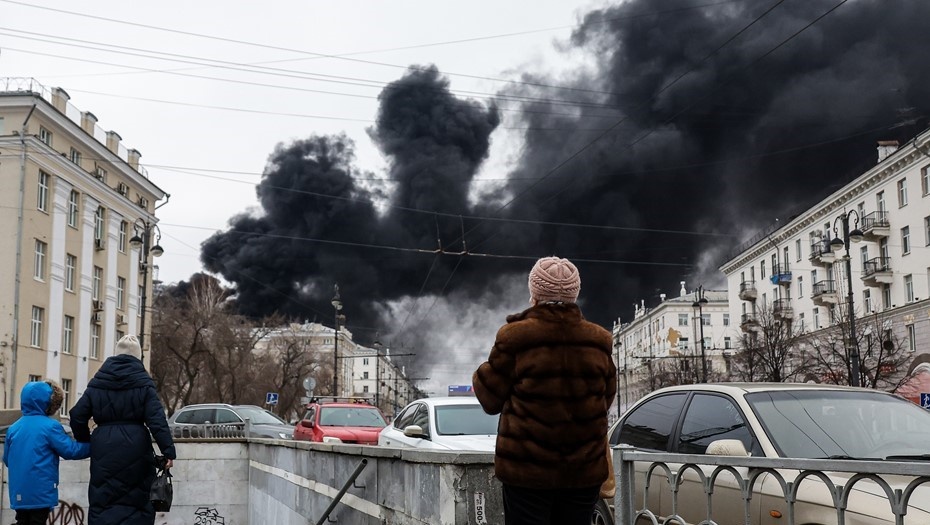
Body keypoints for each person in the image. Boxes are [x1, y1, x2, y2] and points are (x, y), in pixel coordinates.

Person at [473, 256, 616, 525]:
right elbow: (605, 401)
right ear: (575, 294)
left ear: (534, 293)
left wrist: (486, 368)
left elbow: (489, 399)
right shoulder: (599, 340)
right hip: (582, 472)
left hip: (527, 472)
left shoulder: (516, 337)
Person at [70, 335, 177, 525]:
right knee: (138, 499)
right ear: (137, 358)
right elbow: (157, 420)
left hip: (104, 447)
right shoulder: (144, 384)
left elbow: (77, 415)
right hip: (137, 447)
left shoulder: (98, 382)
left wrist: (86, 440)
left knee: (103, 497)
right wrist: (168, 451)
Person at [3, 380, 91, 525]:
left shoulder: (13, 428)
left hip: (19, 492)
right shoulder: (50, 427)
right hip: (40, 492)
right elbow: (71, 451)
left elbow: (7, 459)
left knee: (22, 521)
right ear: (47, 402)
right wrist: (94, 445)